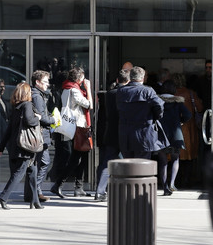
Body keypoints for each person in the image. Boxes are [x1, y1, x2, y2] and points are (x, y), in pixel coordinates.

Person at [0, 82, 43, 210]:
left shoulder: (16, 107)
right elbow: (29, 120)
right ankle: (3, 197)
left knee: (32, 172)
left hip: (18, 145)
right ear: (26, 94)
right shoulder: (27, 105)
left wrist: (0, 147)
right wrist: (38, 118)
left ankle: (35, 201)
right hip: (26, 146)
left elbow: (9, 130)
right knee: (19, 173)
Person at [49, 67, 93, 198]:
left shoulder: (66, 87)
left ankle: (77, 187)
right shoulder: (74, 90)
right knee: (75, 158)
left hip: (77, 127)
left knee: (80, 157)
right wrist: (89, 89)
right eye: (83, 78)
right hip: (77, 127)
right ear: (79, 79)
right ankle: (59, 185)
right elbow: (89, 104)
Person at [116, 66, 166, 159]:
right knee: (142, 167)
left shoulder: (121, 91)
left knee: (128, 166)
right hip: (144, 133)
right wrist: (155, 117)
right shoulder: (147, 91)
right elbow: (159, 106)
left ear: (130, 77)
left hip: (126, 134)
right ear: (143, 78)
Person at [94, 69, 130, 201]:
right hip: (124, 131)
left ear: (116, 80)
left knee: (106, 163)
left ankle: (100, 191)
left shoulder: (109, 94)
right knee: (128, 162)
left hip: (110, 132)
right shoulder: (126, 93)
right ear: (129, 81)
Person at [24, 70, 59, 203]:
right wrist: (53, 120)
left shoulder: (37, 94)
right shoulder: (38, 96)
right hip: (40, 135)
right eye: (45, 82)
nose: (47, 84)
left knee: (36, 164)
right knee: (44, 162)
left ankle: (32, 192)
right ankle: (36, 191)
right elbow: (41, 117)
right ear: (37, 82)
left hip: (39, 134)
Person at [157, 79, 191, 195]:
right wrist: (180, 121)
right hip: (175, 134)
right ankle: (172, 183)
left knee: (163, 161)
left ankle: (165, 186)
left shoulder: (157, 100)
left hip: (161, 134)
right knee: (175, 158)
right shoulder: (178, 102)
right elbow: (188, 115)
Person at [172, 72, 203, 189]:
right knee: (189, 157)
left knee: (175, 156)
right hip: (189, 129)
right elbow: (199, 108)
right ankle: (187, 180)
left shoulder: (171, 94)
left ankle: (175, 180)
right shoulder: (191, 93)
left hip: (175, 128)